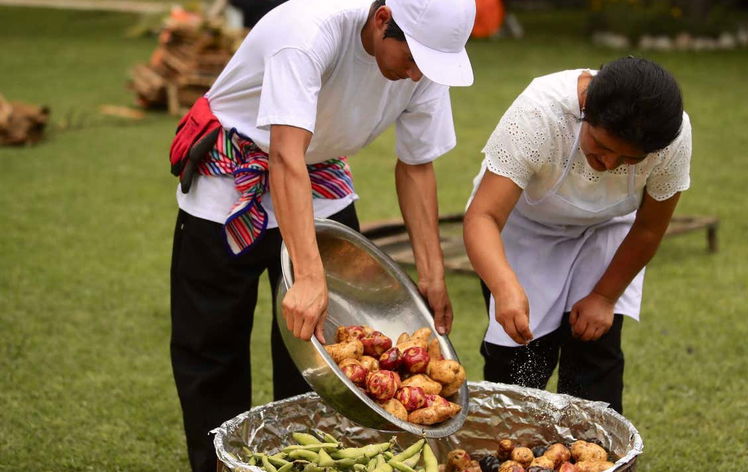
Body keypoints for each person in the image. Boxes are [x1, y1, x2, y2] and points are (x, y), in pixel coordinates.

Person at [168, 0, 476, 470]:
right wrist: (309, 276)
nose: (418, 75)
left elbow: (416, 166)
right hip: (231, 176)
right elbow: (285, 156)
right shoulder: (308, 33)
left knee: (325, 358)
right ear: (382, 19)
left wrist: (432, 275)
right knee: (214, 348)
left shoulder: (424, 59)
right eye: (412, 60)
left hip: (320, 179)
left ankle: (305, 463)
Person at [463, 57, 691, 413]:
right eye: (602, 146)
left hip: (607, 228)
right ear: (585, 110)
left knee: (594, 354)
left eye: (629, 160)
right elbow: (484, 216)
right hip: (525, 226)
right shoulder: (540, 112)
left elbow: (648, 228)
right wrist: (505, 287)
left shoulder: (671, 137)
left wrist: (604, 296)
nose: (610, 164)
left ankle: (593, 458)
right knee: (520, 361)